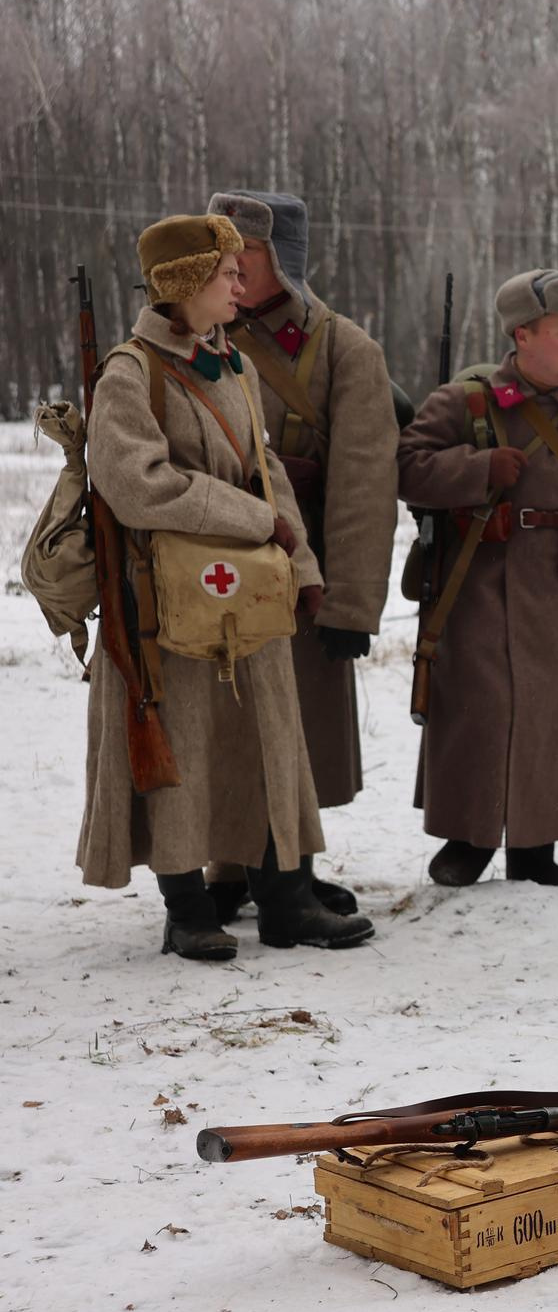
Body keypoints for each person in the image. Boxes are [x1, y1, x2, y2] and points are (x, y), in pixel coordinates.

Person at [76, 212, 372, 956]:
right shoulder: (129, 372)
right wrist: (249, 520)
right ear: (185, 285)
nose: (243, 283)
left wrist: (300, 566)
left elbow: (265, 473)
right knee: (183, 745)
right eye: (227, 273)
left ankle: (285, 900)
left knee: (268, 742)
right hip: (166, 603)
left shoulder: (231, 363)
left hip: (250, 596)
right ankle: (188, 910)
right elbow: (137, 485)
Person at [397, 269, 558, 896]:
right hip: (475, 592)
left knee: (550, 722)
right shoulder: (466, 401)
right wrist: (479, 467)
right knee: (477, 718)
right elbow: (407, 467)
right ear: (522, 336)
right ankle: (471, 842)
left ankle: (536, 852)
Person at [197, 190, 398, 920]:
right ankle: (226, 869)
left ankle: (290, 870)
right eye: (222, 258)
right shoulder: (196, 335)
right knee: (222, 716)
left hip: (299, 575)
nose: (232, 272)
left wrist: (350, 603)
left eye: (244, 257)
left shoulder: (344, 348)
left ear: (283, 260)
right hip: (210, 571)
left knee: (297, 726)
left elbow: (366, 487)